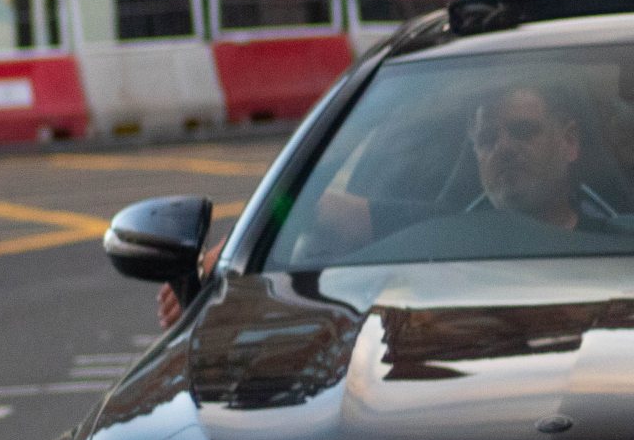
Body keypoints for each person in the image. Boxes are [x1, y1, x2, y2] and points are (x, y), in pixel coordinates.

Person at [155, 80, 606, 326]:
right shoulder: (438, 228)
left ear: (569, 142)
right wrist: (230, 253)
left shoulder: (626, 233)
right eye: (487, 138)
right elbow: (312, 205)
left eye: (523, 131)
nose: (502, 149)